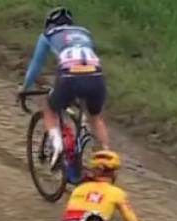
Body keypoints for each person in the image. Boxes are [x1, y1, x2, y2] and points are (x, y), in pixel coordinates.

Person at [18, 7, 110, 169]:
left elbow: (35, 66)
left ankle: (57, 145)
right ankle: (107, 157)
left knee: (50, 108)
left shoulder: (48, 35)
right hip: (96, 76)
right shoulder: (85, 33)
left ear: (49, 24)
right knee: (95, 118)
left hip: (69, 76)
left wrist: (24, 88)